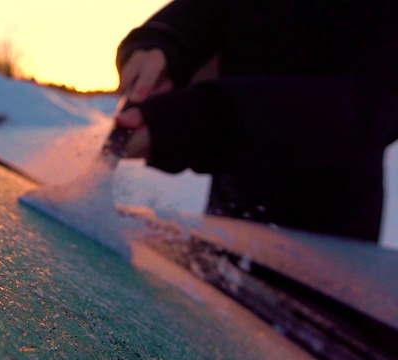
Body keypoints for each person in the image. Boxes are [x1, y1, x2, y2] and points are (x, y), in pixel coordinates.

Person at [114, 0, 398, 242]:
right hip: (225, 229)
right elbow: (206, 13)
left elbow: (373, 107)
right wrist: (161, 43)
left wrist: (208, 119)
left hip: (330, 261)